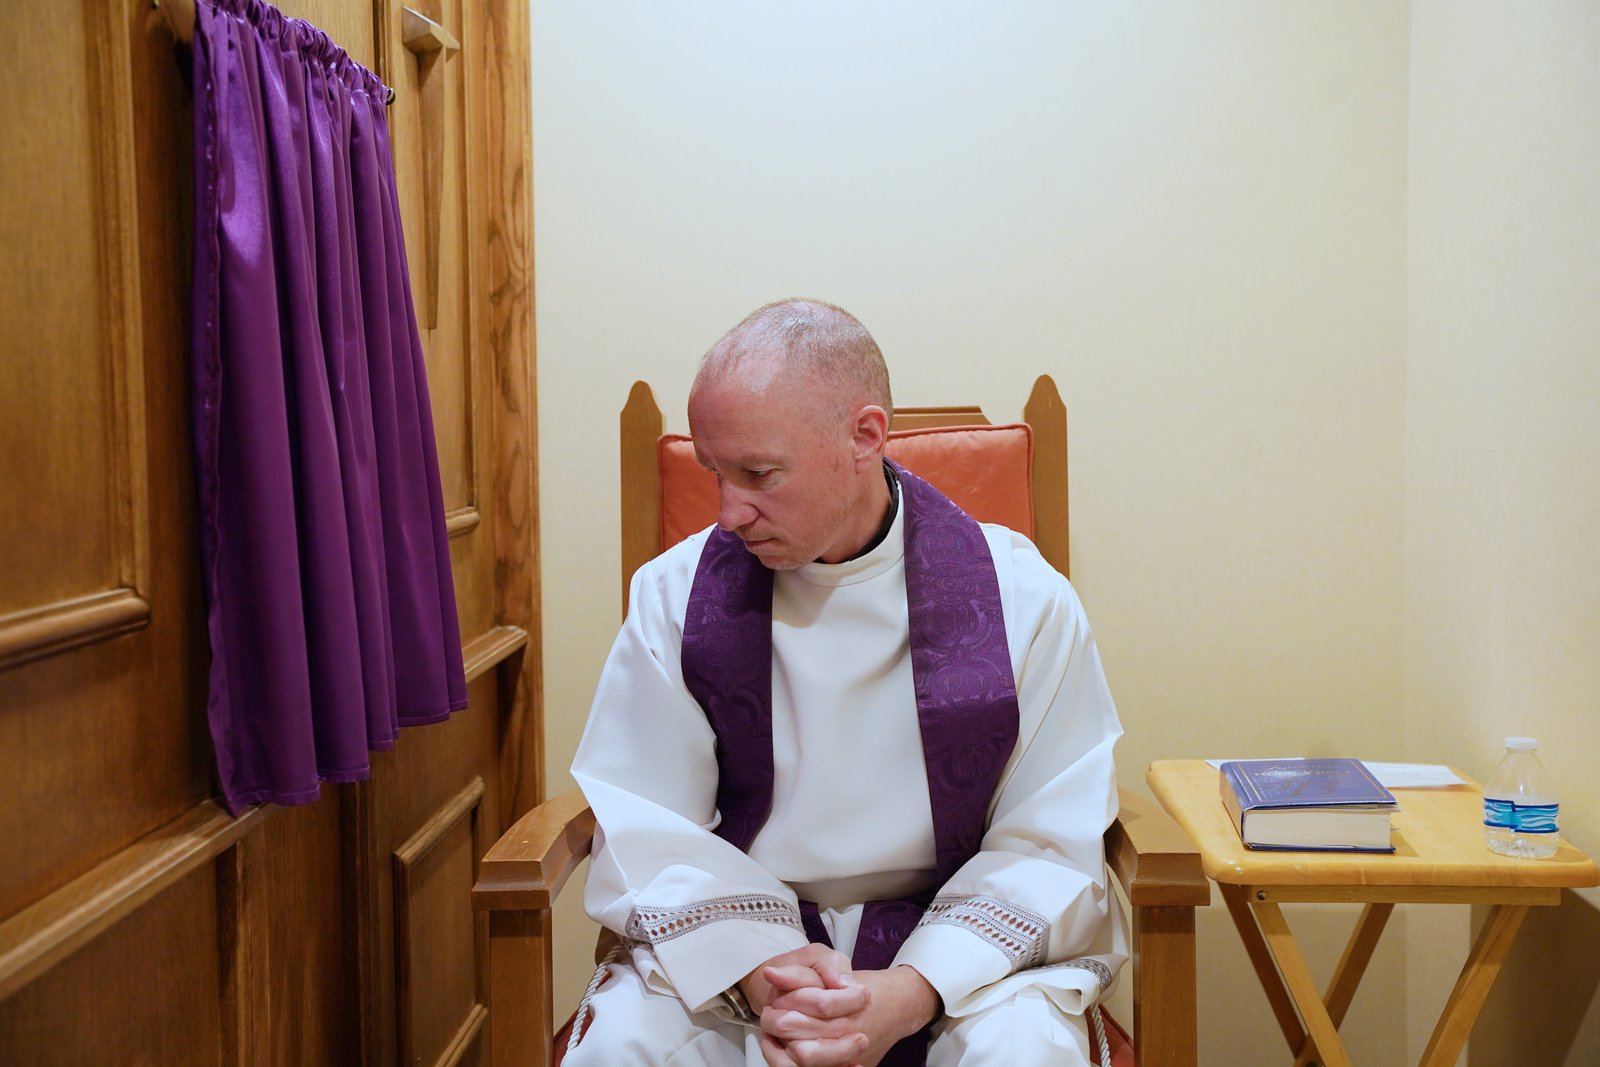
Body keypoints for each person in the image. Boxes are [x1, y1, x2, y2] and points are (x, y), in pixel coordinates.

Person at [567, 299, 1126, 1067]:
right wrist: (768, 975)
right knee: (628, 1046)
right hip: (740, 960)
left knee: (1022, 1051)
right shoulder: (676, 595)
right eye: (713, 473)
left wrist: (911, 989)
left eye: (759, 473)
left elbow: (1048, 833)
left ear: (865, 436)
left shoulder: (1019, 598)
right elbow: (646, 820)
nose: (728, 513)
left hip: (958, 964)